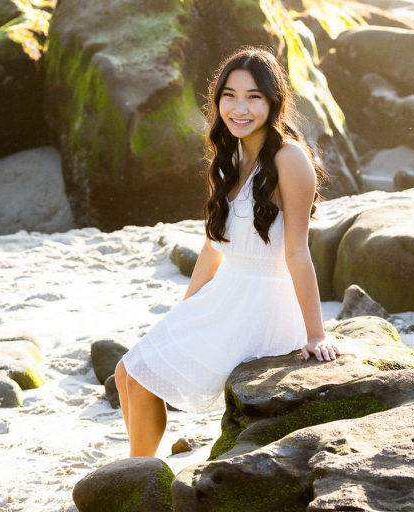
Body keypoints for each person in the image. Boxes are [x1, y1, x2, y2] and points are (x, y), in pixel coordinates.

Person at [113, 47, 340, 457]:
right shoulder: (228, 155)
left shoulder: (291, 159)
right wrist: (184, 311)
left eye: (254, 97)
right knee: (124, 370)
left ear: (274, 102)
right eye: (229, 95)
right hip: (224, 295)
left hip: (261, 303)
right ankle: (140, 470)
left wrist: (316, 334)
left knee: (142, 378)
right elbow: (212, 246)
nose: (239, 108)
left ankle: (139, 474)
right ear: (217, 101)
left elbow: (297, 253)